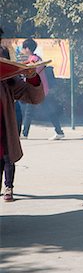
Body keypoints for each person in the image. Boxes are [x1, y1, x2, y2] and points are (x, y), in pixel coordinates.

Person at [0, 45, 45, 201]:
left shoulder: (8, 82)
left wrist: (32, 76)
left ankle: (8, 186)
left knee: (7, 160)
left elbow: (34, 97)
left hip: (2, 141)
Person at [19, 38, 65, 140]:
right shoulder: (35, 59)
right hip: (40, 89)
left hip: (37, 90)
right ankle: (59, 131)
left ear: (27, 49)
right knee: (46, 110)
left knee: (30, 111)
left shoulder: (33, 60)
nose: (22, 50)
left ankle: (25, 134)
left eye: (23, 48)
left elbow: (31, 72)